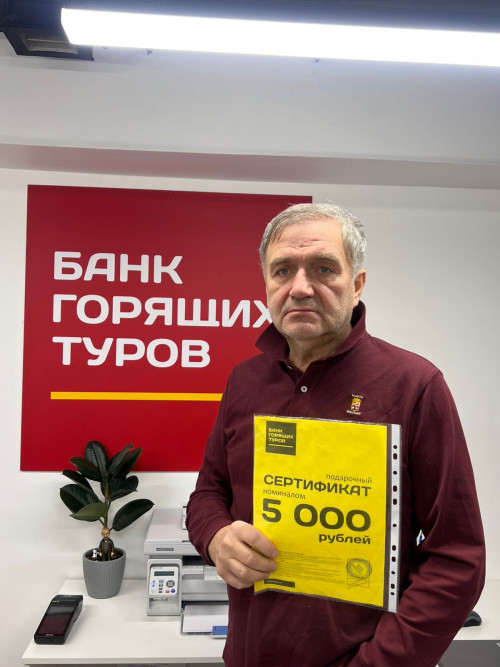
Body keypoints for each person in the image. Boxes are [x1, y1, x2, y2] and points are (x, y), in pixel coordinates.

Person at [186, 203, 485, 667]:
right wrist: (215, 537)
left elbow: (458, 558)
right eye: (283, 270)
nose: (300, 287)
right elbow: (209, 492)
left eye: (323, 268)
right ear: (267, 284)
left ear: (357, 284)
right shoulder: (244, 381)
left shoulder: (414, 385)